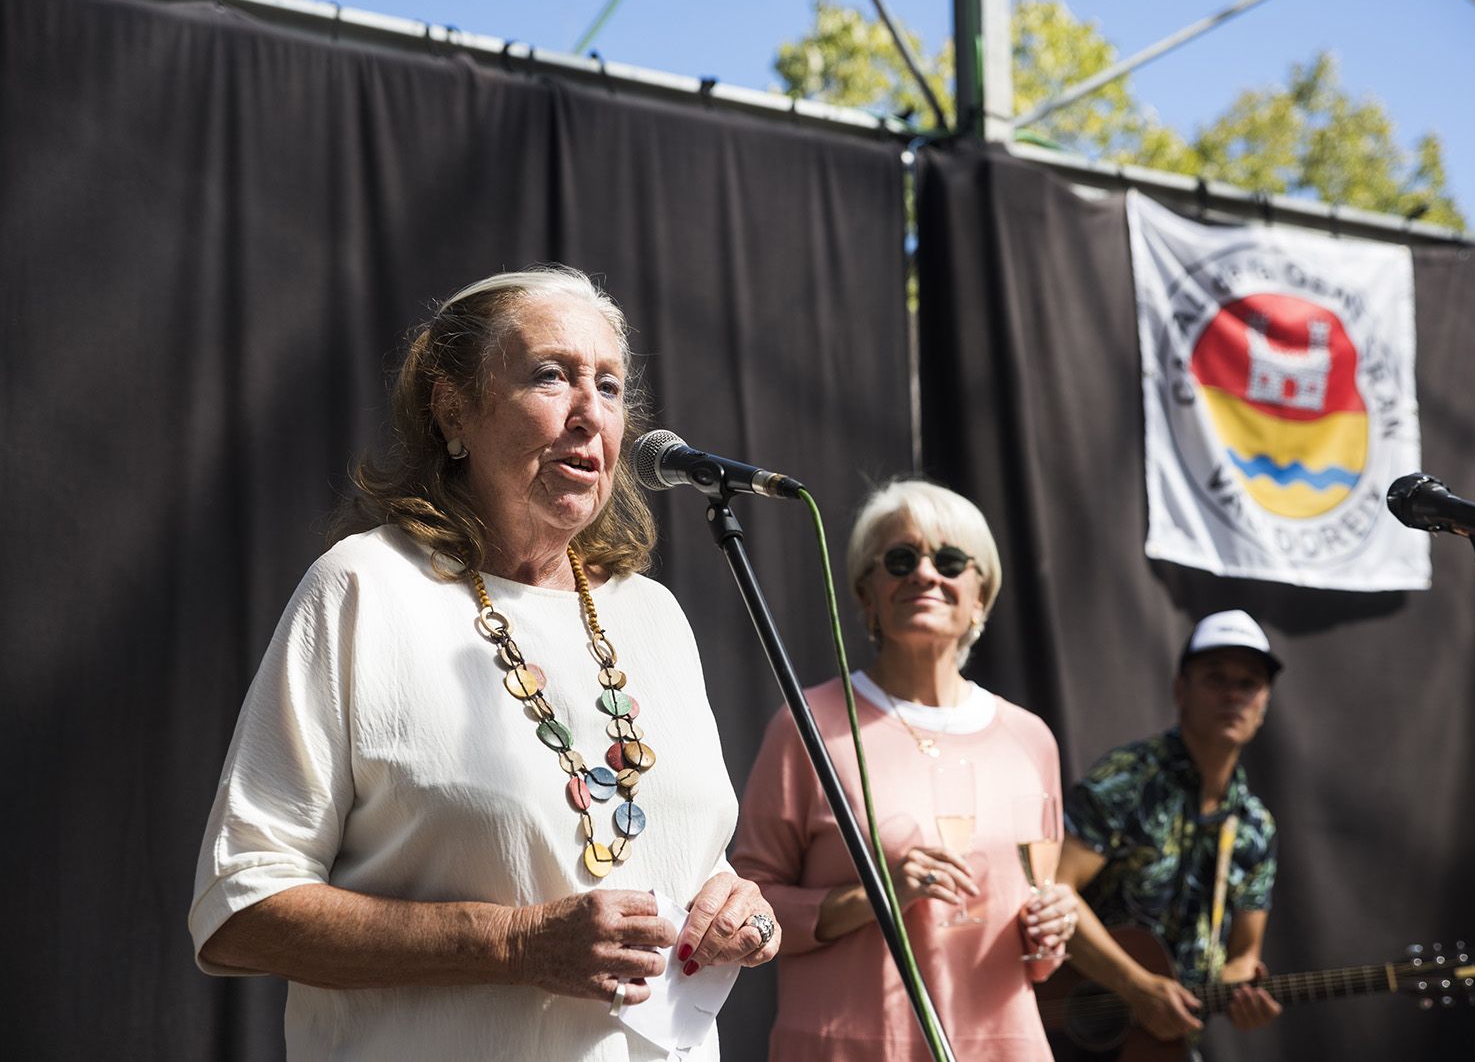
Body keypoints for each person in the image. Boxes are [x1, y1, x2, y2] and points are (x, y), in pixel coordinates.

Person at [189, 266, 779, 1061]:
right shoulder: (364, 588)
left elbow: (681, 852)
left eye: (608, 387)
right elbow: (240, 908)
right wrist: (513, 944)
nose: (588, 414)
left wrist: (737, 908)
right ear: (452, 407)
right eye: (551, 376)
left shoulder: (653, 615)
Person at [731, 479, 1080, 1060]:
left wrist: (1052, 930)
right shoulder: (807, 724)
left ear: (980, 594)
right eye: (900, 559)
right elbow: (750, 910)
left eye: (948, 560)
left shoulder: (1030, 738)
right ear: (867, 595)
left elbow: (1037, 954)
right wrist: (876, 896)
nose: (924, 574)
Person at [1056, 609, 1284, 1049]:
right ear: (1181, 689)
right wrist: (1134, 985)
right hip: (1076, 1033)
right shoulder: (1130, 779)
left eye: (1248, 683)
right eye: (1215, 678)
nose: (1233, 695)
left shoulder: (1255, 826)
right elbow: (1053, 889)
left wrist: (1239, 992)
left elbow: (1243, 954)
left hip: (1165, 1048)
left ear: (1265, 702)